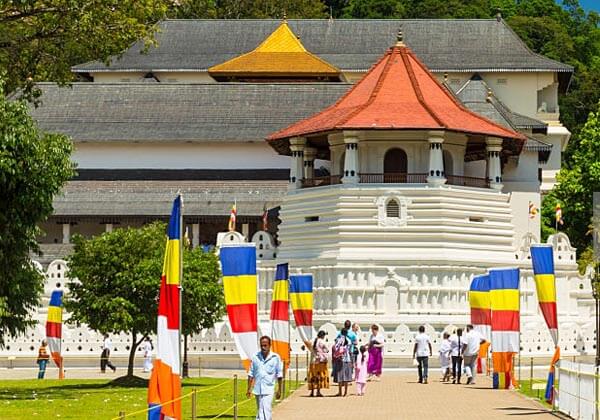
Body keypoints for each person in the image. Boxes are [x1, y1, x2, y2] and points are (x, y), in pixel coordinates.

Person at [246, 336, 283, 420]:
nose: (263, 347)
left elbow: (279, 375)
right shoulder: (255, 357)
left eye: (265, 345)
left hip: (269, 388)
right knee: (260, 410)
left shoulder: (275, 357)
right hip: (258, 389)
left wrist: (279, 390)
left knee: (266, 409)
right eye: (262, 345)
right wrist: (248, 389)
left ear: (270, 345)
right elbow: (251, 374)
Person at [331, 328, 353, 396]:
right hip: (347, 359)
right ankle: (345, 392)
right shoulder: (349, 340)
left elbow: (335, 348)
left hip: (340, 359)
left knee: (340, 376)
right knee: (346, 376)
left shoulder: (339, 340)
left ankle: (340, 392)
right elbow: (350, 351)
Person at [308, 330, 329, 397]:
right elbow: (326, 350)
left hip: (312, 362)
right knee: (319, 376)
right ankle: (318, 392)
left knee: (313, 376)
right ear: (323, 336)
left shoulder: (313, 341)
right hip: (320, 362)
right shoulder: (322, 342)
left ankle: (312, 392)